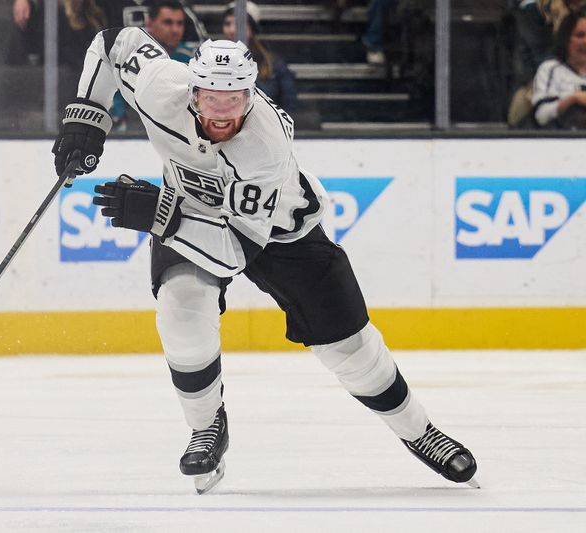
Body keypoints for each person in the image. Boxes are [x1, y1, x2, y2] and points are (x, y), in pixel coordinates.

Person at [51, 27, 479, 494]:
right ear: (191, 90)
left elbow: (234, 250)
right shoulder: (160, 87)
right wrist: (87, 118)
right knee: (181, 310)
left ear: (251, 95)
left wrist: (162, 219)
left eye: (233, 100)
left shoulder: (265, 144)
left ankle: (420, 432)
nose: (220, 113)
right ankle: (206, 428)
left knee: (350, 347)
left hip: (280, 232)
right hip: (188, 210)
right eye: (211, 98)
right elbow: (114, 42)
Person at [222, 2, 298, 114]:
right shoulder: (210, 60)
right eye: (227, 24)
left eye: (239, 25)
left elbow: (288, 103)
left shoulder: (273, 63)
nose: (232, 30)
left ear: (251, 29)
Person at [532, 8, 586, 128]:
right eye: (580, 35)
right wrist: (574, 98)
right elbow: (541, 115)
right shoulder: (550, 69)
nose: (585, 41)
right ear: (566, 38)